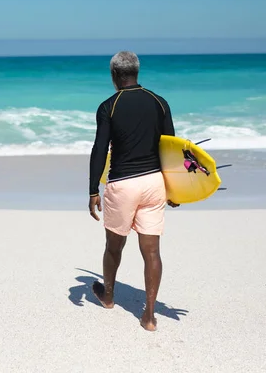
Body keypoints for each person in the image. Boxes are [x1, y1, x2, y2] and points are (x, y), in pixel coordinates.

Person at [88, 51, 178, 331]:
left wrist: (93, 189)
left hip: (123, 184)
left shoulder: (108, 106)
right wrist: (174, 189)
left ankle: (108, 296)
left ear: (114, 75)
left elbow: (100, 149)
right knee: (151, 252)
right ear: (136, 72)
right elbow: (171, 147)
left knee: (114, 246)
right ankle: (149, 316)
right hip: (154, 183)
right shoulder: (159, 102)